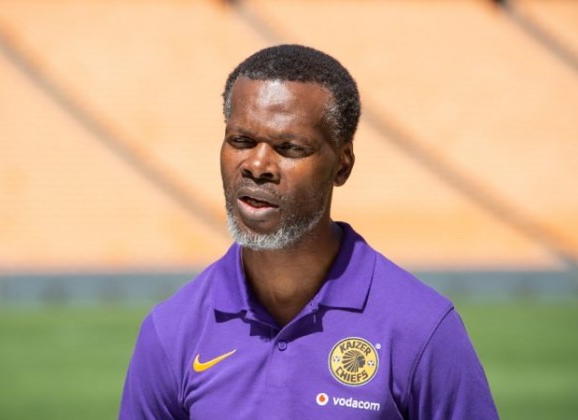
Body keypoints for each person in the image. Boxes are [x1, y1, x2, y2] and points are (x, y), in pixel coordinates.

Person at [119, 44, 499, 419]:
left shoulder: (422, 328)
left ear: (342, 165)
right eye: (241, 141)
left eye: (289, 147)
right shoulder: (171, 331)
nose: (257, 165)